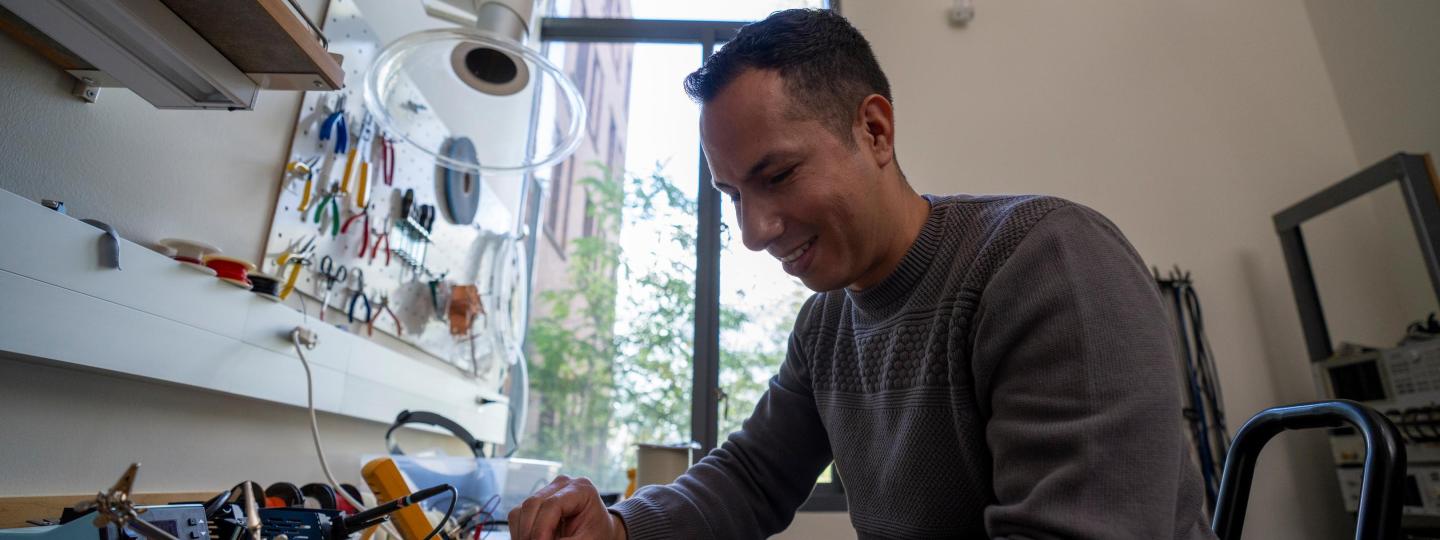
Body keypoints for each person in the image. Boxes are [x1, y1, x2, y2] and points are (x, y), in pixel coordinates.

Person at [508, 8, 1215, 540]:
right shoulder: (826, 326)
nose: (755, 232)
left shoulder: (1045, 261)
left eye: (778, 175)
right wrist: (622, 526)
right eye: (734, 198)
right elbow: (754, 476)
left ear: (874, 130)